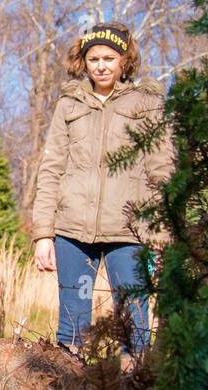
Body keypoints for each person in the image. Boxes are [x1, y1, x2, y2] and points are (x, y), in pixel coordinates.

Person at [30, 23, 173, 366]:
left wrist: (162, 233)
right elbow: (51, 169)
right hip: (73, 231)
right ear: (84, 61)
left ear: (125, 61)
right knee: (72, 328)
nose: (101, 65)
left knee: (134, 326)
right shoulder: (69, 104)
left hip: (130, 232)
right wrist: (43, 234)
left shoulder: (147, 104)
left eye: (109, 58)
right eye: (93, 58)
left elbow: (163, 170)